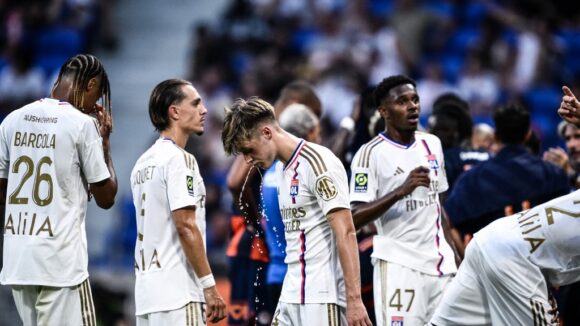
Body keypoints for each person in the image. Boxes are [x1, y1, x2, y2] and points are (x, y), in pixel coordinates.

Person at [222, 97, 371, 326]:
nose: (248, 160)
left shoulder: (319, 162)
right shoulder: (280, 170)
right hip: (291, 292)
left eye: (248, 150)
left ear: (267, 132)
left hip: (322, 297)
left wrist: (354, 300)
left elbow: (346, 232)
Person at [0, 54, 117, 325]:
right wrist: (105, 144)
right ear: (90, 85)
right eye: (97, 97)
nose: (94, 107)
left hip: (19, 262)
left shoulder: (11, 121)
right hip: (60, 264)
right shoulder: (82, 124)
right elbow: (106, 197)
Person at [349, 75, 459, 326]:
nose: (412, 107)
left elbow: (437, 206)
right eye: (402, 101)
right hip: (400, 266)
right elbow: (354, 216)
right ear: (383, 111)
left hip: (441, 267)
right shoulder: (369, 155)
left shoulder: (432, 144)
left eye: (415, 100)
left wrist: (456, 257)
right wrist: (400, 191)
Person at [130, 79, 226, 325]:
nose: (204, 110)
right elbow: (185, 225)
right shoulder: (180, 160)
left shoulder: (141, 163)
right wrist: (209, 286)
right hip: (179, 293)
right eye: (195, 104)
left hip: (147, 295)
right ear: (174, 111)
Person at [445, 104, 570, 238]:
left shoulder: (471, 179)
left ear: (496, 136)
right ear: (528, 134)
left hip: (490, 256)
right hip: (543, 256)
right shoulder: (553, 174)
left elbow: (448, 222)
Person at [262, 103, 321, 316]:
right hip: (300, 277)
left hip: (276, 272)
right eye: (318, 133)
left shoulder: (272, 174)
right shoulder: (297, 173)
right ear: (311, 132)